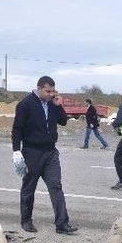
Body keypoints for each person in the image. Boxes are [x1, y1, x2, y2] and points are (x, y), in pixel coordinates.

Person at [11, 76, 78, 234]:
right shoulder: (25, 104)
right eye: (48, 91)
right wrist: (16, 151)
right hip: (31, 153)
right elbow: (17, 128)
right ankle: (26, 220)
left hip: (50, 153)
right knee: (29, 188)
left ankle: (62, 224)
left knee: (56, 187)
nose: (50, 94)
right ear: (39, 88)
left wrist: (59, 106)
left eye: (53, 91)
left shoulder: (52, 103)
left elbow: (63, 122)